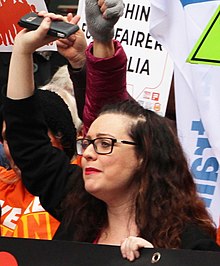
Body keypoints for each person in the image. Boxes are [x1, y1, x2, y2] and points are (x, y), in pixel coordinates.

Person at [3, 0, 220, 262]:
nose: (90, 155)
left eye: (105, 143)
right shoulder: (77, 202)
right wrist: (22, 51)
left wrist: (164, 260)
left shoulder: (190, 243)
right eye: (89, 142)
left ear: (145, 156)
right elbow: (28, 145)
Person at [0, 69, 81, 239]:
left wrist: (80, 65)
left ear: (62, 137)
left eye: (32, 139)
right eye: (9, 139)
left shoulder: (87, 188)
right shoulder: (2, 182)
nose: (19, 148)